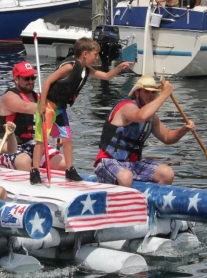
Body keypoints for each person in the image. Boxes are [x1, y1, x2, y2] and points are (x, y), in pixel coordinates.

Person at [30, 38, 132, 184]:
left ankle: (70, 170)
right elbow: (47, 82)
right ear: (85, 53)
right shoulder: (69, 67)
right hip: (48, 105)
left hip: (60, 108)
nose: (97, 57)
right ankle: (35, 171)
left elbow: (106, 76)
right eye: (95, 54)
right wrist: (41, 105)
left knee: (67, 139)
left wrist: (119, 68)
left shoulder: (86, 70)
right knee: (42, 140)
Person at [94, 75, 194, 186]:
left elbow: (166, 137)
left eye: (153, 92)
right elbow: (141, 116)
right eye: (146, 92)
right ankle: (125, 202)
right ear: (137, 93)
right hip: (109, 161)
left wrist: (183, 129)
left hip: (134, 164)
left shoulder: (152, 117)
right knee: (126, 176)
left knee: (167, 173)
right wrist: (165, 94)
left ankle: (155, 202)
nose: (150, 95)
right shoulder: (126, 107)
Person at [0, 62, 65, 172]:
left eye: (33, 78)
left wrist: (57, 134)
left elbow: (49, 117)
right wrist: (50, 106)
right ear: (16, 79)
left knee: (62, 162)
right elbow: (25, 107)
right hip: (8, 146)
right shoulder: (9, 97)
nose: (31, 82)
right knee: (24, 162)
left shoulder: (37, 97)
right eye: (26, 78)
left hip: (32, 144)